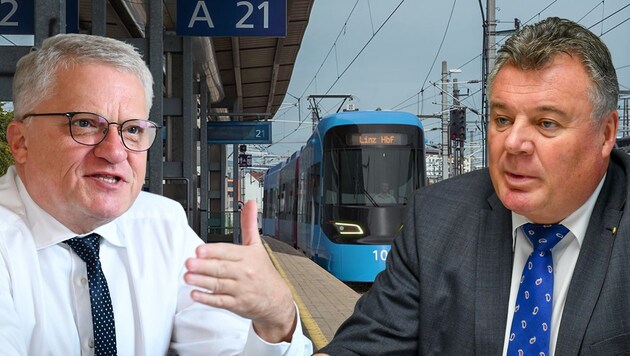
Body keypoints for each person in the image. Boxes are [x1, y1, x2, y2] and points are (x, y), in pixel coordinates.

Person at [315, 17, 628, 355]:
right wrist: (284, 330)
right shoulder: (435, 219)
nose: (514, 143)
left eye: (546, 123)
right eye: (503, 120)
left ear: (606, 133)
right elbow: (363, 347)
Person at [0, 33, 312, 355]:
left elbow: (224, 347)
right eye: (84, 124)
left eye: (133, 129)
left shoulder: (163, 225)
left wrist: (277, 319)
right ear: (21, 142)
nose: (116, 152)